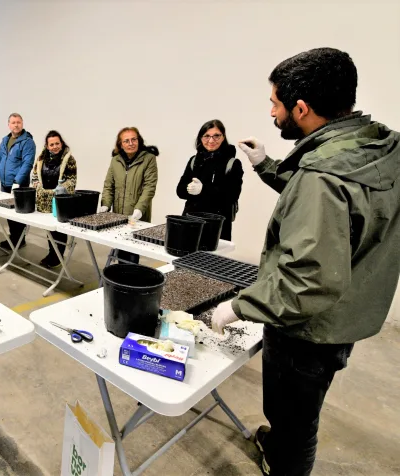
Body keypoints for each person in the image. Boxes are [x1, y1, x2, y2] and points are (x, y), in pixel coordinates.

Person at [210, 47, 400, 476]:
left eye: (276, 103)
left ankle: (284, 462)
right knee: (297, 409)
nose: (271, 112)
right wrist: (267, 166)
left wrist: (240, 306)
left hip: (307, 330)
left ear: (302, 107)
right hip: (347, 311)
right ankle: (278, 442)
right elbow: (339, 207)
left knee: (296, 420)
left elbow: (306, 281)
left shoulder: (323, 176)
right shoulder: (378, 146)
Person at [175, 119, 243, 240]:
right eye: (206, 136)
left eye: (216, 136)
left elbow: (232, 195)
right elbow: (180, 191)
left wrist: (203, 189)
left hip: (217, 227)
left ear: (223, 137)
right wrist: (188, 189)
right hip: (191, 222)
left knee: (212, 258)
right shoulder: (194, 161)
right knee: (185, 258)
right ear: (200, 138)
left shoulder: (232, 163)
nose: (211, 140)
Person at [0, 113, 36, 250]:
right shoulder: (5, 140)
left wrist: (17, 181)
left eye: (18, 122)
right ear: (8, 125)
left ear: (22, 124)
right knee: (8, 213)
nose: (16, 125)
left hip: (18, 185)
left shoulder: (28, 142)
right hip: (5, 183)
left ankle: (19, 240)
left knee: (18, 214)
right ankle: (13, 238)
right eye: (13, 122)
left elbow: (27, 163)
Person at [100, 127, 159, 263]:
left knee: (132, 253)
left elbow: (149, 187)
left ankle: (130, 280)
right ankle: (120, 279)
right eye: (126, 141)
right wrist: (105, 204)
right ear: (120, 144)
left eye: (134, 139)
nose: (131, 143)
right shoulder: (115, 160)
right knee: (120, 250)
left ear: (139, 141)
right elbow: (109, 185)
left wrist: (139, 209)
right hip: (118, 214)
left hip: (137, 214)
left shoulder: (149, 159)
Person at [31, 130, 77, 268]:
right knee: (49, 229)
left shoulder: (69, 159)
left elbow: (72, 181)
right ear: (47, 145)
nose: (55, 146)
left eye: (57, 143)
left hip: (61, 202)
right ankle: (52, 253)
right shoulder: (40, 159)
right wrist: (37, 186)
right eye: (52, 144)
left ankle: (57, 256)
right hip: (44, 202)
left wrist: (61, 189)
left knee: (59, 229)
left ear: (62, 143)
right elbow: (34, 176)